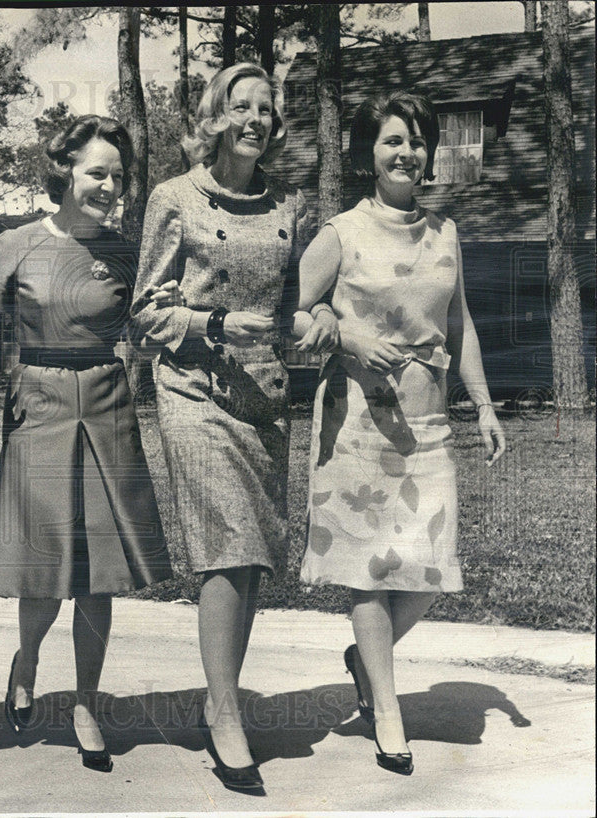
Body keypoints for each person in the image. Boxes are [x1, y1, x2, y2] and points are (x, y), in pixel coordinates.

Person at [130, 63, 333, 794]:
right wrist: (213, 321)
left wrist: (319, 322)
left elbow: (303, 301)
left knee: (251, 560)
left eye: (265, 110)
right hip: (192, 389)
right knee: (226, 544)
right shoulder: (173, 197)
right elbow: (146, 310)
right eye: (240, 106)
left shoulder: (291, 205)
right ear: (216, 116)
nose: (254, 119)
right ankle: (224, 714)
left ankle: (224, 697)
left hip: (263, 396)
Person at [295, 91, 506, 775]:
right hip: (358, 421)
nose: (406, 153)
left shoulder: (446, 233)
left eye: (417, 141)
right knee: (367, 574)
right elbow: (291, 313)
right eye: (392, 141)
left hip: (429, 423)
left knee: (426, 570)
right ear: (369, 153)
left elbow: (461, 324)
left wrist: (484, 403)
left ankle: (367, 658)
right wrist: (349, 337)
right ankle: (387, 713)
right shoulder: (341, 232)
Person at [0, 115, 173, 773]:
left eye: (117, 176)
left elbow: (152, 318)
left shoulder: (124, 251)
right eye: (97, 172)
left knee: (101, 572)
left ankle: (86, 702)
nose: (109, 186)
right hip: (39, 404)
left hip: (108, 403)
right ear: (63, 170)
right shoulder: (14, 245)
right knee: (46, 566)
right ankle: (28, 657)